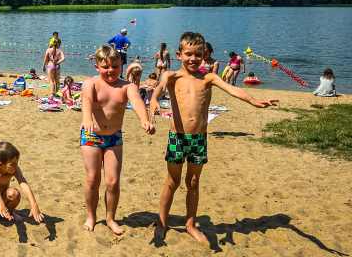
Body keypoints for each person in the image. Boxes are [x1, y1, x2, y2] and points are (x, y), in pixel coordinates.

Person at [149, 32, 278, 242]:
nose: (193, 59)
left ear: (203, 55)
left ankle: (190, 224)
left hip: (199, 138)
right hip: (178, 137)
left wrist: (254, 101)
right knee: (172, 182)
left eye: (198, 55)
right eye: (188, 54)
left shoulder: (209, 77)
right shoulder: (171, 76)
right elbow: (160, 88)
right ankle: (162, 223)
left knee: (193, 182)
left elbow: (232, 89)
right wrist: (154, 99)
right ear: (178, 54)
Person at [80, 45, 155, 234]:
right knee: (92, 179)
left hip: (114, 138)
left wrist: (144, 119)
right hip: (91, 135)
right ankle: (91, 216)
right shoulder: (91, 83)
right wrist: (87, 118)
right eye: (105, 67)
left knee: (112, 181)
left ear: (122, 66)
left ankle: (110, 218)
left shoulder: (128, 86)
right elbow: (87, 99)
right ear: (97, 67)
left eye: (115, 66)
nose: (111, 70)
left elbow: (137, 101)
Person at [0, 142, 44, 226]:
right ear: (0, 164)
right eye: (12, 164)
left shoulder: (14, 170)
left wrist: (34, 205)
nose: (16, 166)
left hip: (3, 197)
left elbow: (24, 185)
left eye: (17, 162)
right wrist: (0, 205)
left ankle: (10, 213)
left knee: (14, 193)